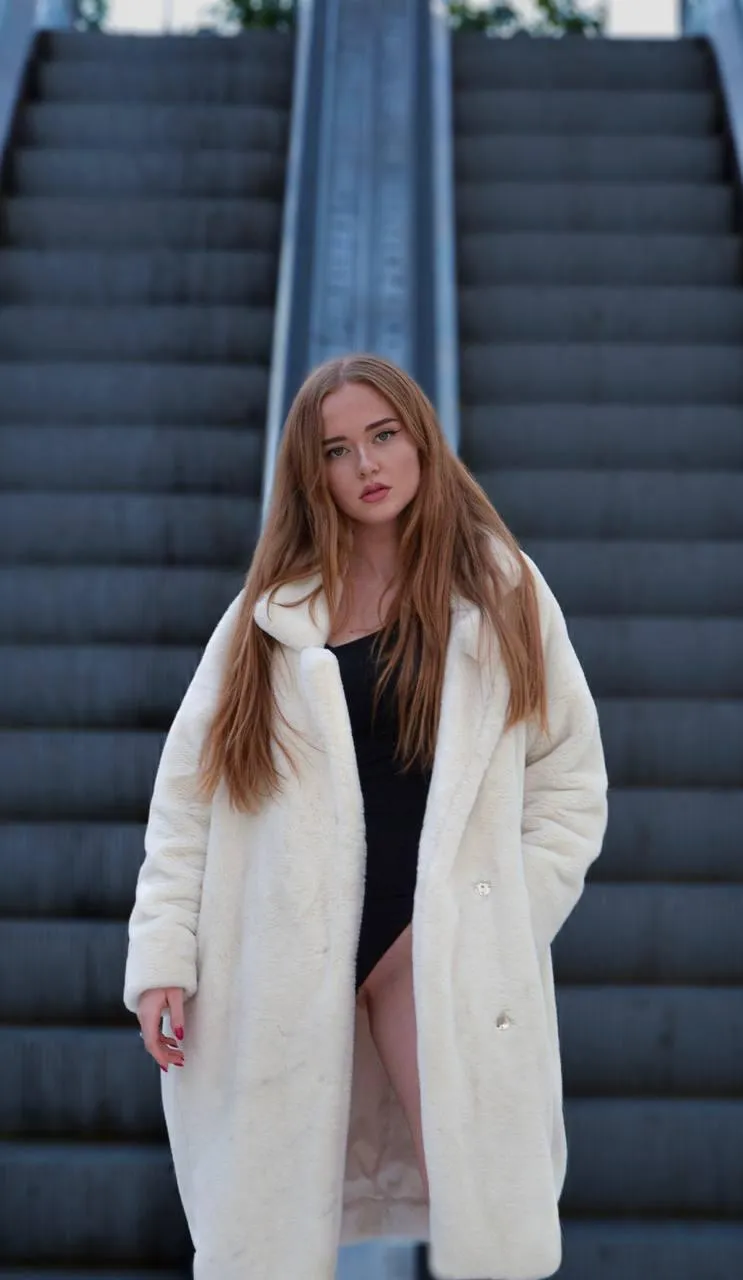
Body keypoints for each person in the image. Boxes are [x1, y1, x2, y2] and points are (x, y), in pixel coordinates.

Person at [123, 352, 608, 1280]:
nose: (366, 466)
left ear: (420, 437)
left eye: (383, 436)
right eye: (338, 450)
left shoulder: (501, 594)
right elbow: (185, 806)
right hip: (278, 958)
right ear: (315, 476)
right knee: (272, 1242)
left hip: (424, 951)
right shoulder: (264, 622)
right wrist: (162, 964)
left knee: (486, 1234)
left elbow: (569, 781)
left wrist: (497, 918)